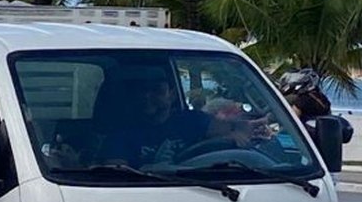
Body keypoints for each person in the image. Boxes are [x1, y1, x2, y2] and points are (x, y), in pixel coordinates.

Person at [100, 67, 268, 166]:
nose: (147, 96)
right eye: (141, 91)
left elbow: (230, 129)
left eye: (157, 91)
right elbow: (117, 177)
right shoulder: (120, 134)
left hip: (207, 188)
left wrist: (238, 133)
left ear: (171, 95)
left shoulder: (193, 121)